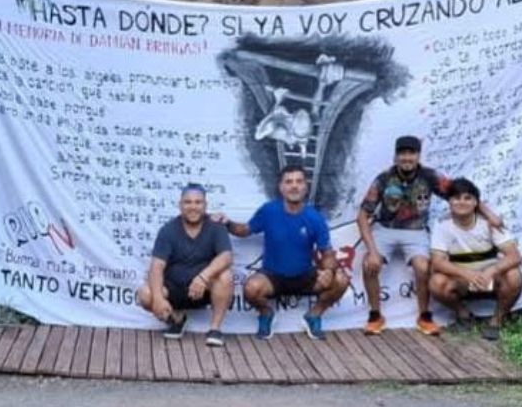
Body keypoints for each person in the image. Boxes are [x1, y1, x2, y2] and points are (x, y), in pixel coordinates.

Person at [357, 135, 501, 336]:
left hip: (416, 230)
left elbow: (461, 192)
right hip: (385, 228)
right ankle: (375, 315)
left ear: (418, 155)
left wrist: (489, 215)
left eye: (411, 153)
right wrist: (372, 251)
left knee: (423, 266)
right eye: (403, 153)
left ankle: (424, 315)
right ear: (396, 156)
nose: (407, 158)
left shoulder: (429, 176)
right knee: (368, 264)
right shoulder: (383, 179)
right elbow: (363, 215)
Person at [216, 165, 350, 340]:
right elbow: (244, 230)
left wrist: (329, 271)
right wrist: (227, 223)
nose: (294, 186)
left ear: (305, 187)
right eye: (289, 182)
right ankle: (266, 313)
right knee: (250, 288)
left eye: (299, 181)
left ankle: (314, 315)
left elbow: (327, 252)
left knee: (341, 280)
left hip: (305, 277)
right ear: (281, 187)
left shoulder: (315, 218)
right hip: (272, 277)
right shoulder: (269, 210)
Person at [136, 184, 234, 347]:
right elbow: (156, 267)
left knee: (225, 276)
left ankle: (215, 329)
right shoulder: (168, 230)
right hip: (174, 289)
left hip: (203, 290)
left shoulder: (216, 226)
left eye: (198, 202)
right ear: (180, 205)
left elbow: (226, 256)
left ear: (205, 205)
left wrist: (203, 277)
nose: (193, 207)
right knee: (145, 294)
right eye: (188, 202)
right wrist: (158, 299)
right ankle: (176, 320)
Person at [428, 177, 522, 342]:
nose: (461, 202)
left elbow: (514, 256)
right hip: (462, 280)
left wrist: (491, 271)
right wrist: (467, 274)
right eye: (456, 198)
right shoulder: (442, 224)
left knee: (514, 276)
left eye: (467, 198)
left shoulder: (489, 222)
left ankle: (497, 321)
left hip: (491, 278)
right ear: (449, 202)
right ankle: (463, 315)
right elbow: (438, 262)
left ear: (476, 203)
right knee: (436, 282)